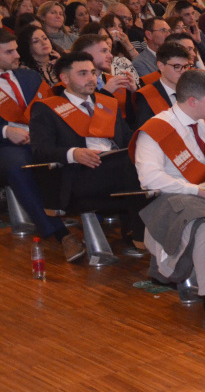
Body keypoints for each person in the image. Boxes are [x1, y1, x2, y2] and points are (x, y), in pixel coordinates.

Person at [132, 70, 205, 337]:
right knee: (203, 225)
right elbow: (150, 179)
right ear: (192, 101)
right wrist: (195, 190)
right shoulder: (157, 129)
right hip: (170, 202)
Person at [30, 52, 146, 253]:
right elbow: (41, 151)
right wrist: (73, 153)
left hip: (118, 166)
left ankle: (143, 234)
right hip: (79, 175)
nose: (92, 78)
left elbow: (129, 140)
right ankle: (143, 238)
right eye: (83, 73)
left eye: (93, 72)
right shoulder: (46, 108)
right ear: (65, 79)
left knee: (145, 158)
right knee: (132, 165)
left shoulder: (107, 103)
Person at [0, 29, 82, 260]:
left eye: (16, 49)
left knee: (73, 147)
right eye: (9, 51)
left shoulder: (29, 77)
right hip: (5, 147)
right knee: (19, 165)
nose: (17, 54)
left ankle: (84, 211)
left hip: (39, 138)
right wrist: (5, 130)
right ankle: (60, 234)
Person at [129, 43, 193, 130]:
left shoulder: (193, 90)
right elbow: (146, 132)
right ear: (161, 66)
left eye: (185, 66)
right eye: (177, 66)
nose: (183, 71)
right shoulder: (147, 96)